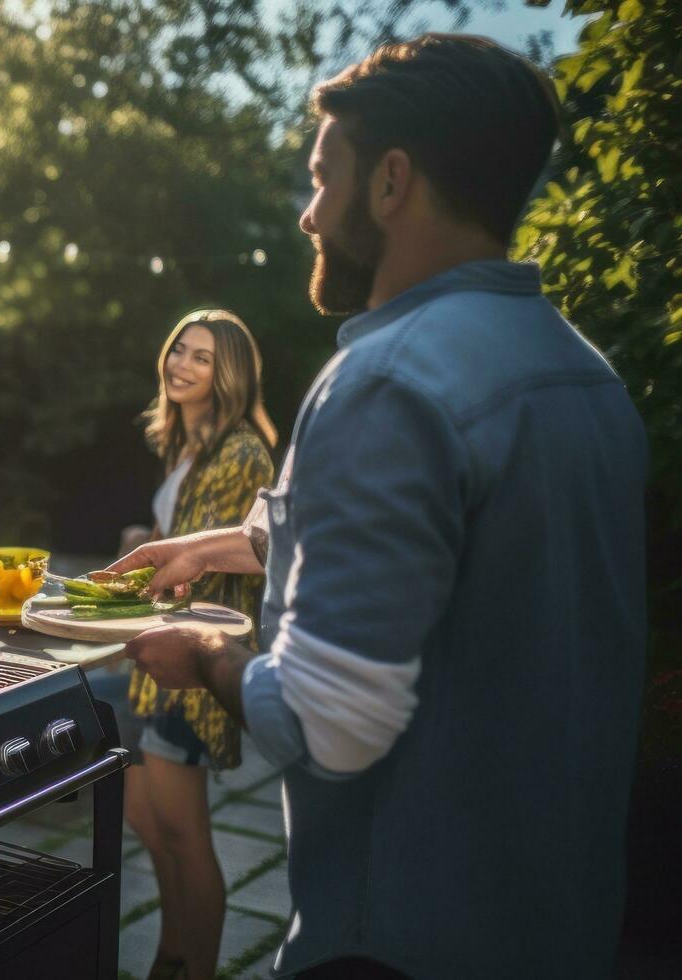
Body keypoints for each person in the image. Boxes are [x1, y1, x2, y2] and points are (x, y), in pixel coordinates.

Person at [116, 35, 645, 979]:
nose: (309, 215)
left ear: (391, 181)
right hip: (559, 922)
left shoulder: (385, 382)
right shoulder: (584, 378)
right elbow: (395, 537)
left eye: (323, 178)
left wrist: (204, 652)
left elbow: (329, 725)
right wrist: (202, 549)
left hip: (401, 938)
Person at [126, 310, 276, 980]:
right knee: (148, 822)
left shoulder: (241, 452)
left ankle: (192, 965)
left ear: (231, 373)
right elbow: (168, 538)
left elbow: (219, 563)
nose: (180, 364)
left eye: (203, 358)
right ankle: (172, 953)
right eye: (177, 350)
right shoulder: (183, 443)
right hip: (152, 656)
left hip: (192, 658)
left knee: (185, 835)